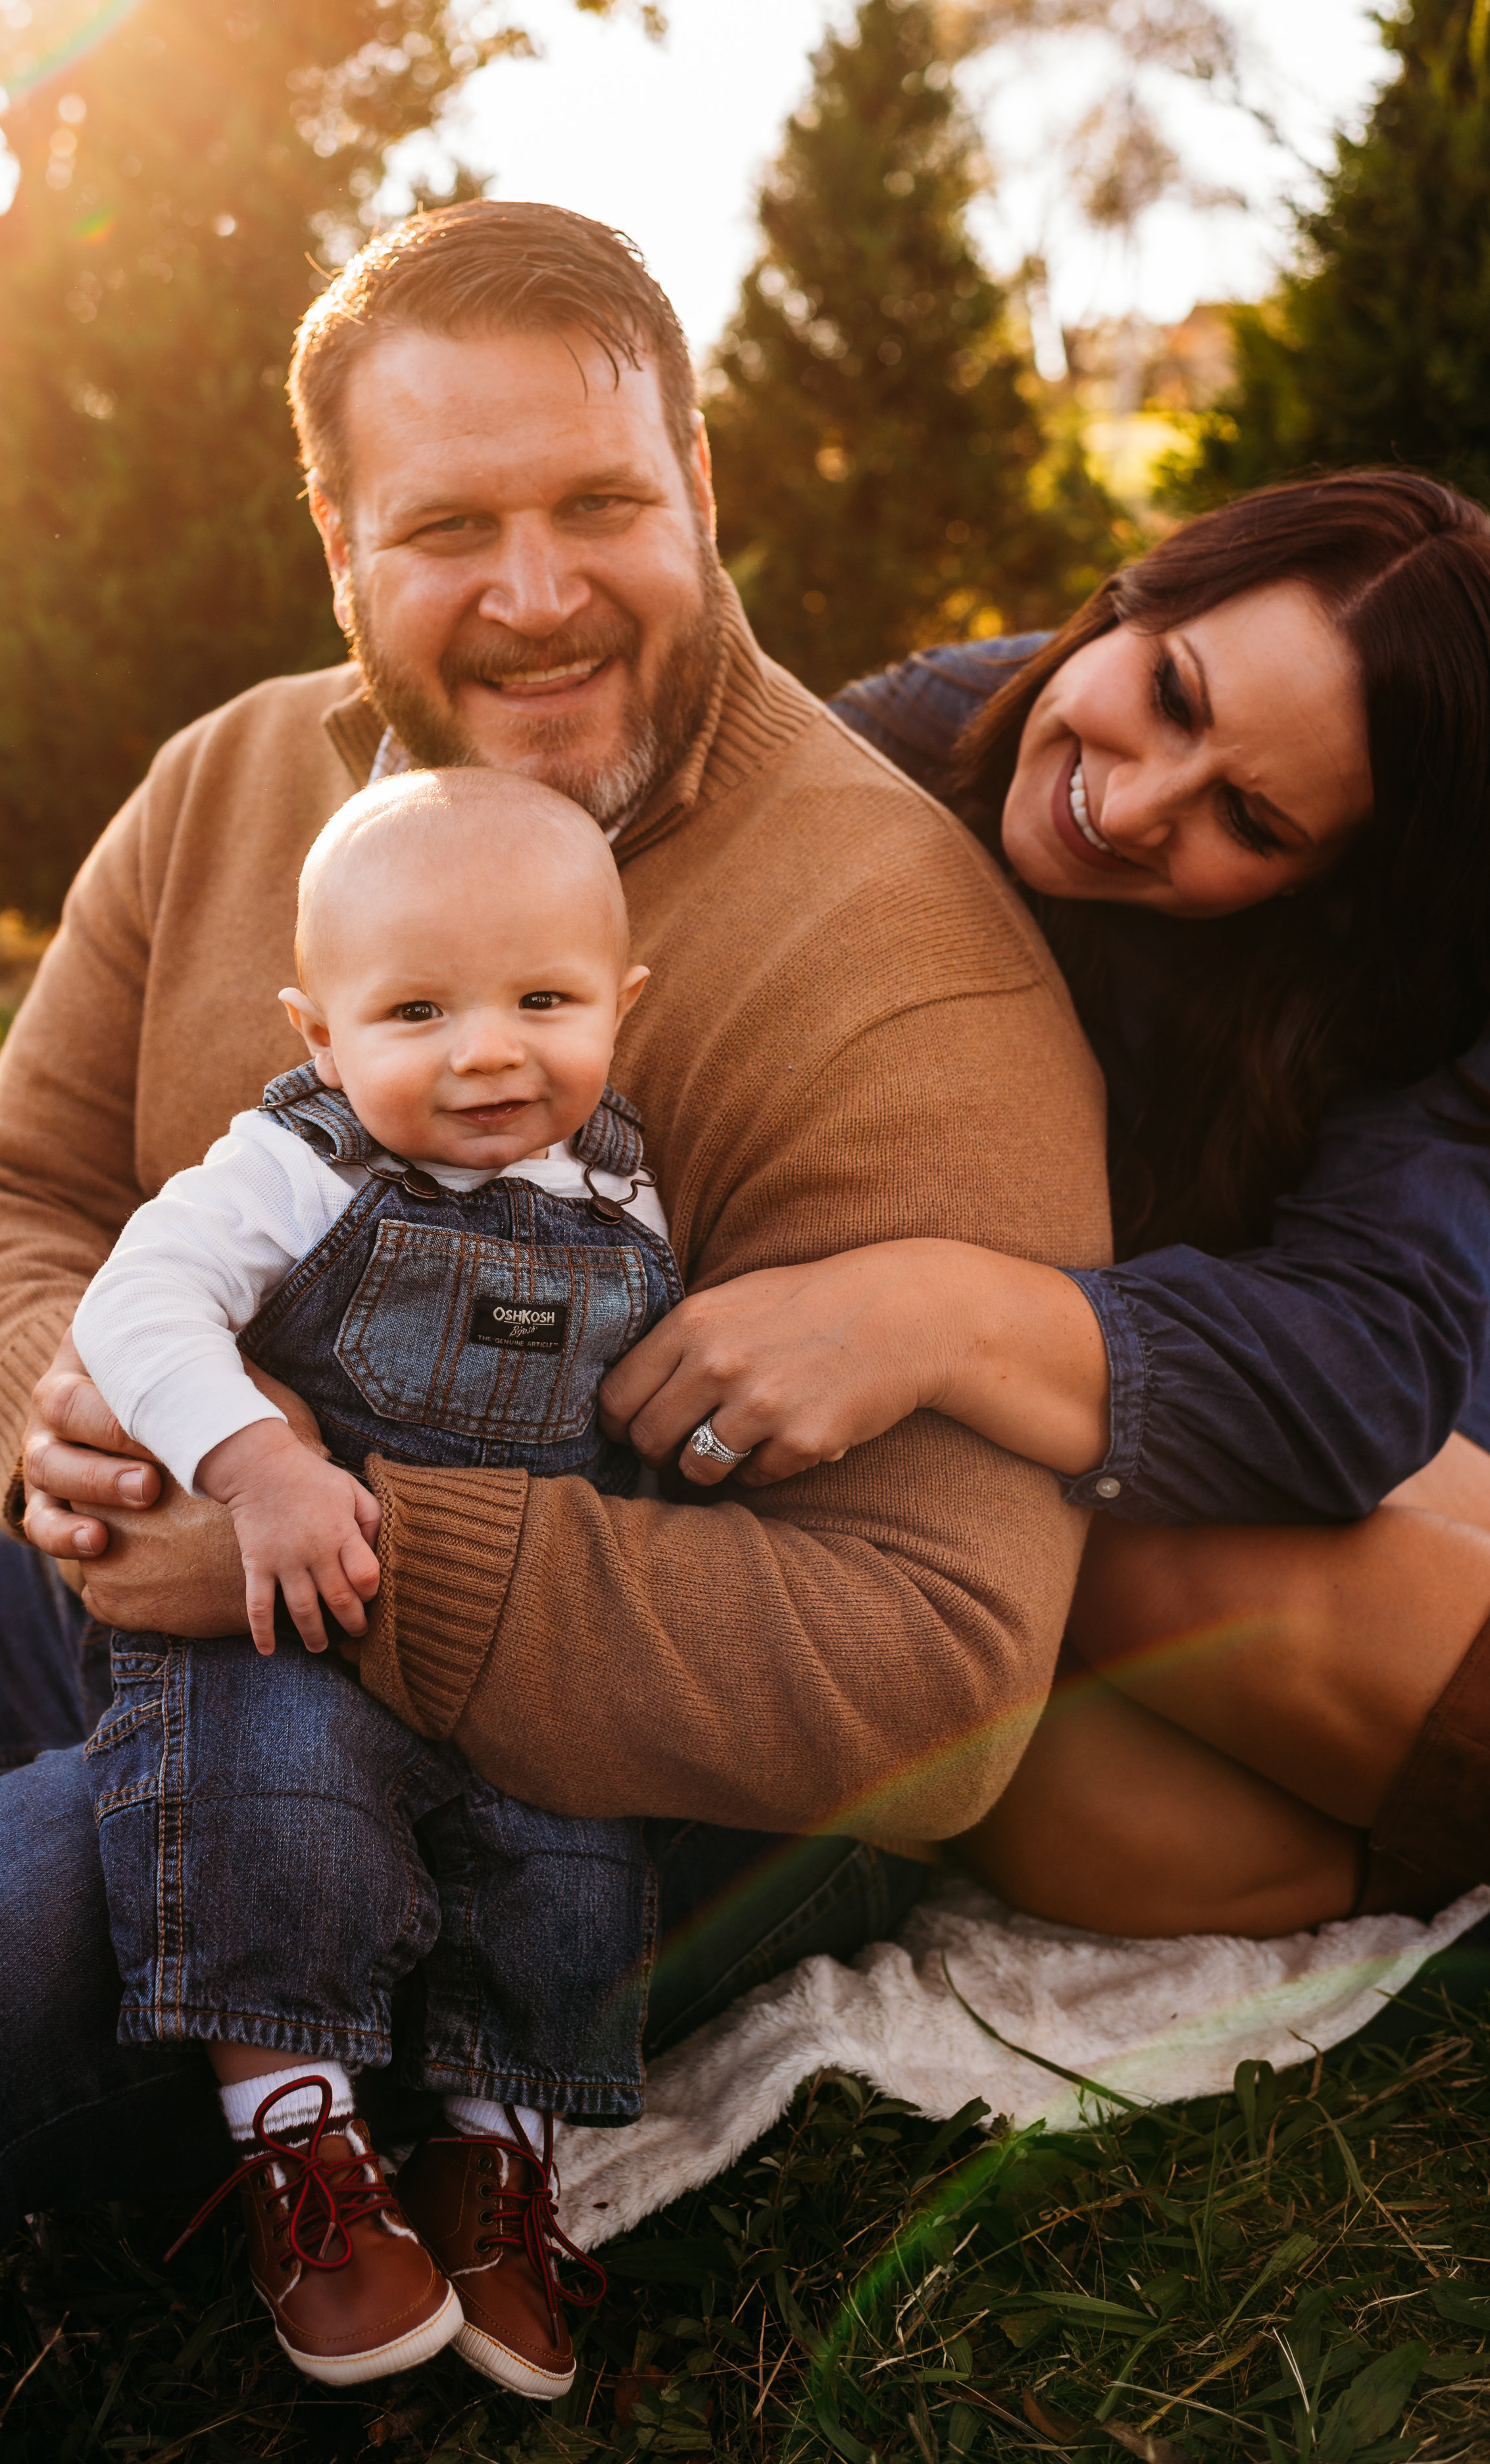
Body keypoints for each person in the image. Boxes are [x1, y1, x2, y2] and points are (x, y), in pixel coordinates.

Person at [0, 201, 1109, 2355]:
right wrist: (86, 1420)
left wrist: (365, 1555)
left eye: (601, 503)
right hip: (135, 1566)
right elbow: (1, 1195)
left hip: (516, 1794)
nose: (535, 594)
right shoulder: (229, 779)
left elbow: (947, 1663)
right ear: (336, 531)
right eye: (447, 522)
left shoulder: (890, 945)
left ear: (700, 494)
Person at [599, 468, 1490, 1940]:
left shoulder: (1404, 987)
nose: (1127, 800)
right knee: (1067, 1794)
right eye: (1170, 693)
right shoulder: (896, 740)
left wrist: (935, 1316)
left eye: (1248, 823)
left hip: (1279, 1465)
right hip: (991, 1501)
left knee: (1170, 1570)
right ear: (1145, 589)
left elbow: (1359, 1377)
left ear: (1332, 885)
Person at [72, 770, 673, 2394]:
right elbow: (137, 1302)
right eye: (415, 1009)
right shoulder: (295, 1162)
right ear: (319, 1032)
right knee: (271, 1810)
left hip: (510, 1641)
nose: (487, 1049)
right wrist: (255, 1467)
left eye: (542, 1000)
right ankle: (301, 2150)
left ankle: (496, 2167)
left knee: (571, 1867)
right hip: (288, 1620)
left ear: (619, 1004)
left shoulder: (624, 1194)